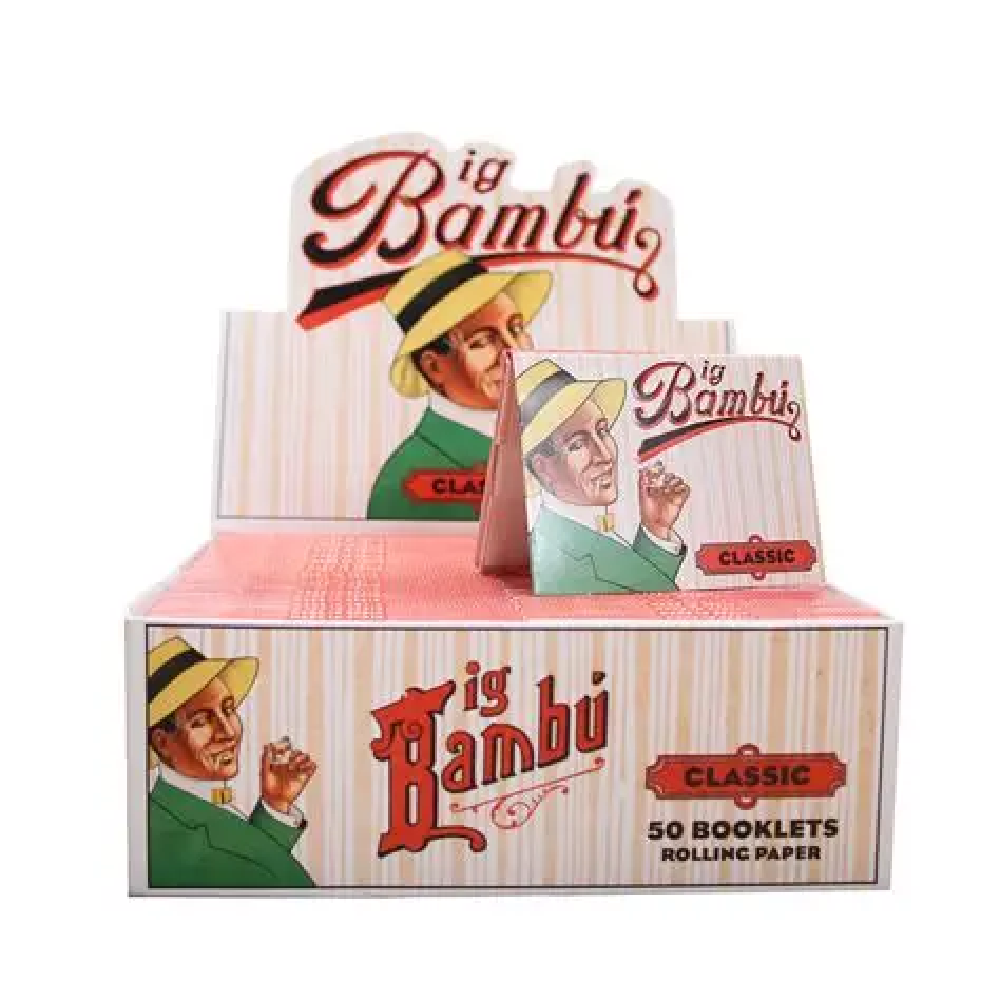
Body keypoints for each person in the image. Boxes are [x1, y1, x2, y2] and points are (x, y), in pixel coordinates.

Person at [368, 250, 552, 520]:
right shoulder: (406, 479)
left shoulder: (543, 441)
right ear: (434, 367)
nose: (513, 350)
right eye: (482, 341)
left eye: (515, 328)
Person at [146, 637, 317, 889]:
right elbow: (256, 871)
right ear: (162, 743)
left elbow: (242, 855)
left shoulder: (185, 809)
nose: (228, 731)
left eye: (227, 710)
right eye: (201, 721)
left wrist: (276, 804)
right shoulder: (170, 835)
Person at [517, 359, 691, 594]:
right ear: (543, 469)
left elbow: (641, 584)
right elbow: (642, 596)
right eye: (578, 444)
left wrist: (656, 528)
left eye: (602, 431)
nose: (605, 455)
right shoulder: (559, 551)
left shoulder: (596, 527)